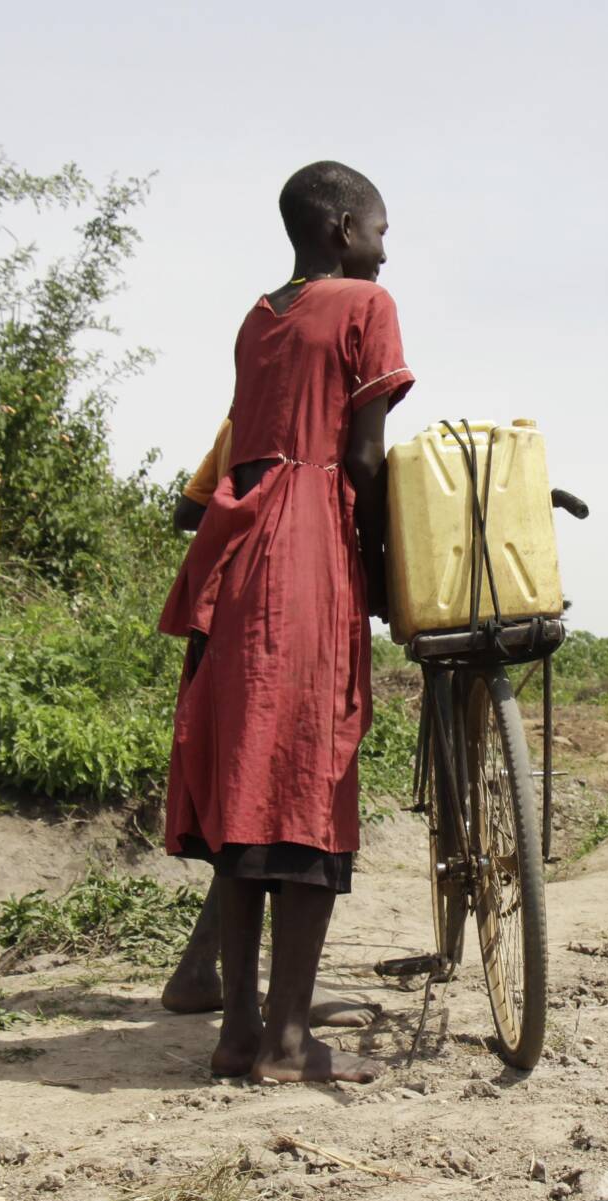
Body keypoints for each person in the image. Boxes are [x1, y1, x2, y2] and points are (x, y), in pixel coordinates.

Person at [157, 160, 411, 1082]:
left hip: (235, 550)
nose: (387, 249)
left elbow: (247, 439)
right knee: (308, 776)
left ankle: (236, 1034)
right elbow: (367, 458)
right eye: (382, 230)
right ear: (343, 228)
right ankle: (292, 1045)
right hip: (309, 548)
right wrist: (386, 574)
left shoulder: (257, 316)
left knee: (246, 784)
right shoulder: (363, 305)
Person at [160, 417, 377, 1031]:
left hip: (224, 607)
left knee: (253, 800)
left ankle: (205, 972)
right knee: (290, 797)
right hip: (276, 611)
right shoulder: (330, 435)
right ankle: (279, 1013)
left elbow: (189, 510)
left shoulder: (242, 424)